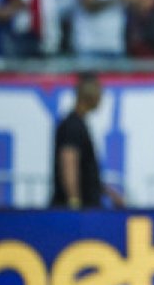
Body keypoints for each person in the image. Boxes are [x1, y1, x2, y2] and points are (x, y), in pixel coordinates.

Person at [51, 72, 122, 209]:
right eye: (98, 91)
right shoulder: (72, 126)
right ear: (88, 93)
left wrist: (108, 192)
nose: (100, 97)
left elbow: (86, 173)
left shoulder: (78, 124)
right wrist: (74, 202)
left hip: (88, 207)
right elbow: (69, 164)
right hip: (80, 210)